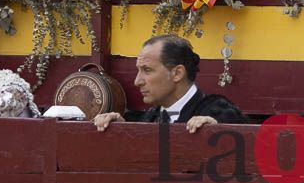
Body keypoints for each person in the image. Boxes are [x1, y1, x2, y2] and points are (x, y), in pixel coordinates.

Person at [93, 35, 247, 130]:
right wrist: (120, 128)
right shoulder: (150, 117)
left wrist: (218, 129)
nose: (137, 81)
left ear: (177, 73)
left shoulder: (220, 112)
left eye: (147, 70)